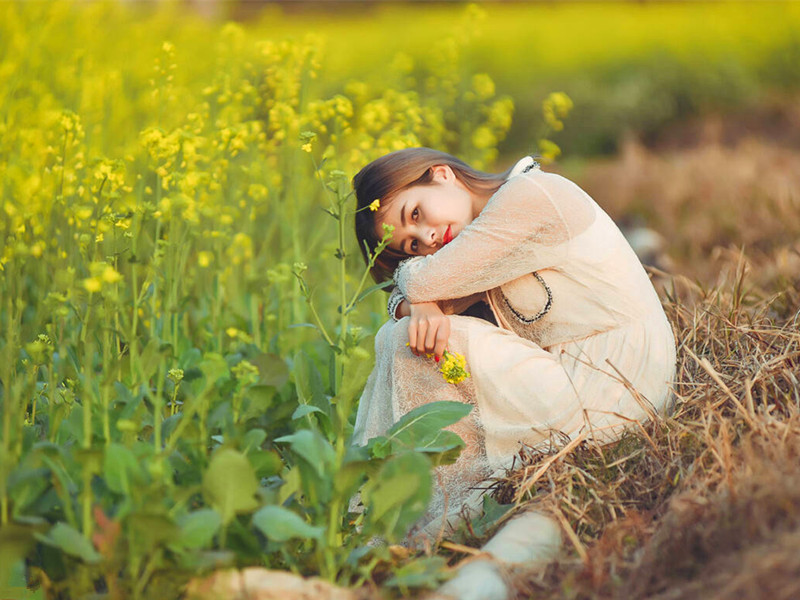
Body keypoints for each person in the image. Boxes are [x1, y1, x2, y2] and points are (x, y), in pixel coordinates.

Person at [350, 148, 676, 541]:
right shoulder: (478, 236)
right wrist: (416, 306)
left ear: (441, 174)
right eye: (413, 247)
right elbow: (415, 296)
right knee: (405, 336)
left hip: (620, 381)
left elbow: (422, 284)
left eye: (415, 215)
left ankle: (419, 514)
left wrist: (416, 298)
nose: (428, 238)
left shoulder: (529, 197)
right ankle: (433, 506)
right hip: (585, 377)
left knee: (407, 340)